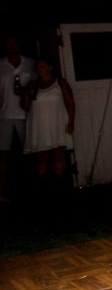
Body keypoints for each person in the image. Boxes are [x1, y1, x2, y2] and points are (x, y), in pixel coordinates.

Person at [23, 57, 75, 190]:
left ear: (50, 68)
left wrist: (71, 122)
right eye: (37, 66)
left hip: (56, 124)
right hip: (39, 126)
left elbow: (70, 103)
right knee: (41, 160)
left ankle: (62, 189)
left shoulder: (60, 82)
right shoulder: (33, 84)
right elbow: (25, 107)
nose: (39, 68)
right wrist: (26, 95)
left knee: (58, 157)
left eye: (42, 66)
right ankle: (44, 190)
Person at [0, 34, 35, 201]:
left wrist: (26, 90)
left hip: (26, 114)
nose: (12, 46)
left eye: (14, 43)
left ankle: (33, 189)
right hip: (4, 115)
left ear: (19, 45)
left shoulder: (30, 63)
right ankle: (1, 191)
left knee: (30, 152)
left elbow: (37, 84)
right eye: (9, 44)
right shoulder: (0, 64)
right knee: (3, 155)